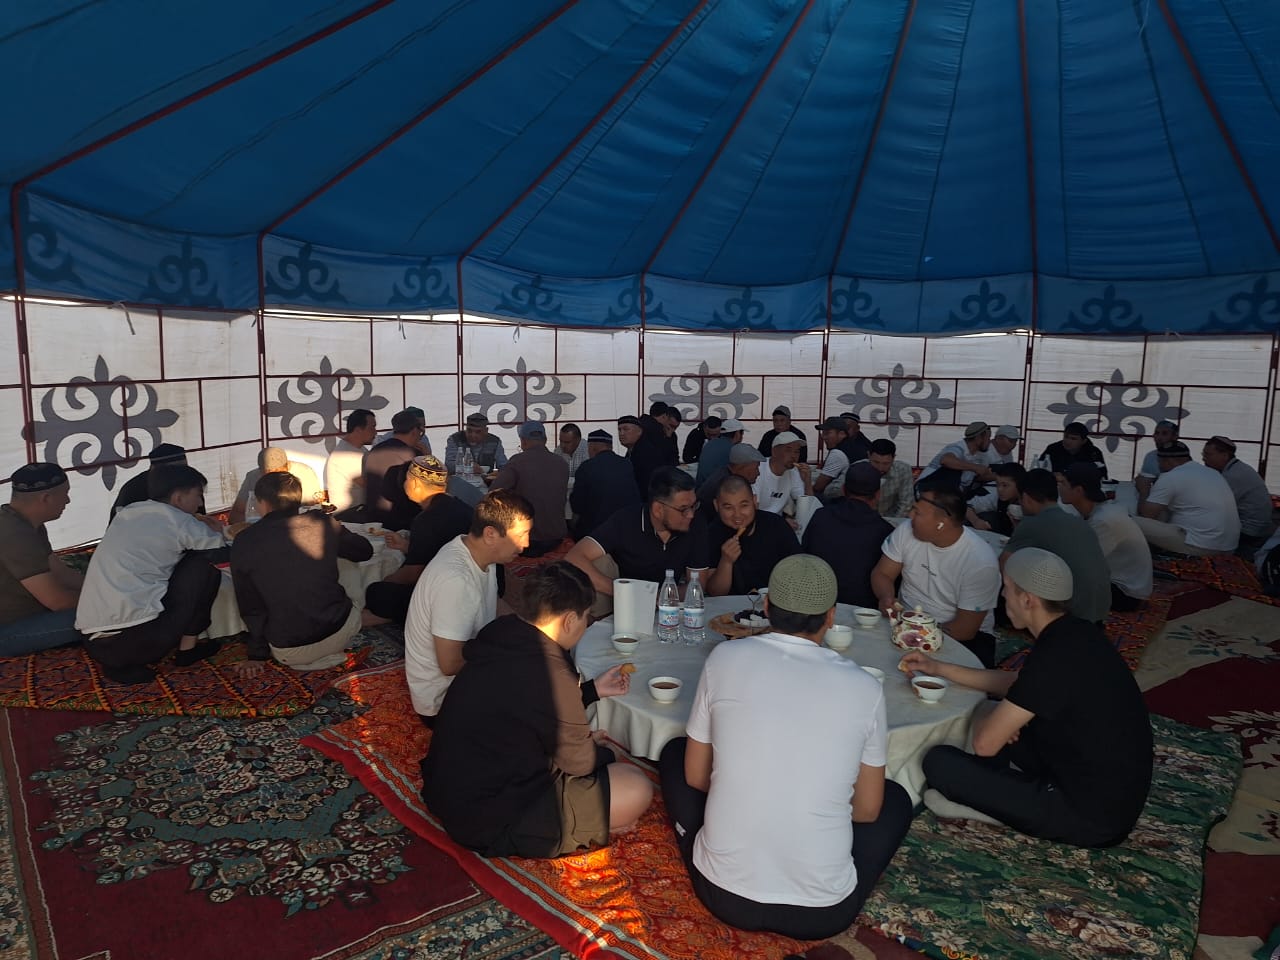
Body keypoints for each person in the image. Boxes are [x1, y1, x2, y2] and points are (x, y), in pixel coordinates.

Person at [658, 555, 913, 939]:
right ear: (831, 616)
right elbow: (865, 810)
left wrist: (746, 789)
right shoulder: (865, 687)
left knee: (675, 753)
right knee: (894, 800)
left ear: (766, 606)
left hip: (724, 896)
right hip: (821, 914)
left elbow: (696, 777)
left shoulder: (724, 657)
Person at [907, 548, 1152, 848]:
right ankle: (1003, 794)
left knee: (939, 762)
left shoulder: (1054, 656)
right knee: (995, 717)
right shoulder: (1076, 633)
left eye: (1007, 588)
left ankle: (998, 811)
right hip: (1099, 785)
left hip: (1088, 816)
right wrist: (938, 668)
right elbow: (1015, 683)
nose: (1003, 596)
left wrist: (997, 721)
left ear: (1027, 600)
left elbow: (985, 744)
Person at [421, 562, 654, 858]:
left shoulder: (503, 633)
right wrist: (605, 753)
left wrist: (591, 691)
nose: (585, 625)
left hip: (449, 790)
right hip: (489, 815)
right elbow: (580, 764)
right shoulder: (551, 670)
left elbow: (526, 703)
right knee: (635, 786)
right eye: (586, 617)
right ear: (569, 620)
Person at [76, 465, 228, 684]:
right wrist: (218, 531)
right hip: (137, 641)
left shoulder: (127, 513)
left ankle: (123, 663)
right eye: (198, 495)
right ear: (178, 497)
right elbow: (221, 553)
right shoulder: (179, 520)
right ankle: (187, 649)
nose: (200, 504)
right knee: (205, 565)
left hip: (93, 641)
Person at [404, 490, 534, 724]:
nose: (525, 544)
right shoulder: (456, 580)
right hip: (442, 701)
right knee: (537, 698)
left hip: (468, 671)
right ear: (490, 534)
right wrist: (506, 655)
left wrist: (530, 631)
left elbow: (491, 601)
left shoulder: (477, 551)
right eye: (521, 535)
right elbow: (449, 664)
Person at [230, 471, 372, 673]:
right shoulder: (321, 521)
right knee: (345, 562)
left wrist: (257, 654)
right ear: (298, 500)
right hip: (343, 631)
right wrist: (335, 530)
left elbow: (250, 603)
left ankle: (315, 657)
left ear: (262, 503)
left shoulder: (244, 540)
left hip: (289, 651)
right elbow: (364, 552)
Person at [871, 488, 1002, 667]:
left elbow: (965, 629)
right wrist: (886, 597)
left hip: (960, 638)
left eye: (917, 512)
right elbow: (882, 573)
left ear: (942, 522)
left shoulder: (979, 561)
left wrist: (916, 634)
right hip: (904, 624)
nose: (910, 516)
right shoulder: (906, 531)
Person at [565, 467, 709, 600]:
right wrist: (621, 591)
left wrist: (658, 598)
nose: (691, 514)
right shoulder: (625, 521)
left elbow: (697, 586)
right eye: (683, 509)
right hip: (628, 606)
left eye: (694, 506)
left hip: (672, 606)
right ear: (658, 509)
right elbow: (574, 557)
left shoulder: (696, 524)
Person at [364, 456, 472, 627]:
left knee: (376, 592)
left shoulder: (426, 519)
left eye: (406, 479)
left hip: (450, 595)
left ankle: (409, 617)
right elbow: (441, 549)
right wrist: (407, 547)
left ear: (414, 483)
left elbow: (413, 574)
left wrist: (388, 580)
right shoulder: (460, 506)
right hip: (474, 585)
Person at [998, 469, 1111, 626]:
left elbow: (1005, 566)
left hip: (1071, 616)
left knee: (999, 598)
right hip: (1099, 610)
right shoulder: (1078, 522)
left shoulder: (1032, 523)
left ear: (1026, 498)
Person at [0, 463, 84, 655]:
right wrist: (109, 601)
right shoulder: (15, 535)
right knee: (103, 616)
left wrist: (101, 588)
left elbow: (59, 571)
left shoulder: (23, 522)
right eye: (65, 493)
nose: (68, 500)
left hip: (28, 614)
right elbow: (58, 601)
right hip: (6, 630)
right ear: (46, 498)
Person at [1059, 463, 1152, 611]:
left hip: (1126, 593)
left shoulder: (1103, 520)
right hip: (1115, 582)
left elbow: (1082, 564)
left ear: (1078, 490)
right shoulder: (1101, 511)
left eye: (1063, 483)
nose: (1059, 488)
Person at [802, 462, 893, 609]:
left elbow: (804, 556)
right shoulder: (885, 530)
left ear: (843, 490)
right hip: (864, 611)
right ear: (878, 494)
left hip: (816, 603)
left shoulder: (821, 516)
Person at [1135, 441, 1240, 556]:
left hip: (1200, 546)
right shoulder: (1213, 473)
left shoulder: (1170, 477)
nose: (1159, 466)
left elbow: (1147, 515)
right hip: (1229, 547)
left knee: (1128, 521)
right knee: (1164, 512)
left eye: (1159, 462)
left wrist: (1143, 489)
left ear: (1168, 461)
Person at [704, 475, 799, 596]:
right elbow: (715, 593)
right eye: (728, 507)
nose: (737, 515)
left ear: (754, 501)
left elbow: (798, 569)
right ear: (716, 506)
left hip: (776, 599)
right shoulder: (711, 534)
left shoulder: (776, 525)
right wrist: (726, 561)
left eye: (744, 505)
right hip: (731, 604)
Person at [489, 421, 569, 557]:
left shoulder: (517, 461)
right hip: (556, 538)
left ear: (523, 441)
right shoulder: (562, 463)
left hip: (526, 540)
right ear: (545, 440)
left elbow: (493, 493)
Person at [1202, 436, 1276, 558]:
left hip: (1250, 530)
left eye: (1208, 454)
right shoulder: (1237, 468)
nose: (1203, 458)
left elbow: (1214, 506)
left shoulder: (1233, 475)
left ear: (1224, 455)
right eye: (1203, 454)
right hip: (1260, 526)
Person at [569, 430, 640, 539]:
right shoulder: (626, 464)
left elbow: (577, 504)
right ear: (610, 447)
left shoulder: (586, 467)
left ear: (592, 447)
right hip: (625, 527)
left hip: (595, 531)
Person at [363, 410, 428, 524]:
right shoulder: (413, 454)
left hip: (373, 517)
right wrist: (427, 457)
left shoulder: (374, 451)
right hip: (403, 519)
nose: (420, 437)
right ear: (414, 431)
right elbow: (428, 487)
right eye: (420, 432)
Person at [229, 447, 323, 523]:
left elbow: (313, 513)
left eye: (278, 473)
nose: (273, 479)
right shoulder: (253, 477)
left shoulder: (305, 473)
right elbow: (235, 515)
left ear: (287, 466)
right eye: (268, 474)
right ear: (260, 471)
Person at [110, 443, 189, 520]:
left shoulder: (187, 482)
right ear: (154, 469)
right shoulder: (133, 490)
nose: (183, 474)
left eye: (185, 469)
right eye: (176, 470)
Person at [915, 421, 995, 496]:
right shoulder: (957, 448)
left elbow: (978, 476)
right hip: (925, 491)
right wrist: (976, 467)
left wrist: (997, 477)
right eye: (988, 438)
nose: (990, 441)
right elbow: (946, 460)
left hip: (948, 496)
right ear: (978, 438)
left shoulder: (981, 456)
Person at [325, 408, 377, 514]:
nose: (375, 432)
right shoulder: (345, 454)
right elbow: (370, 484)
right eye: (372, 427)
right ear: (358, 430)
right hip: (349, 514)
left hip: (359, 510)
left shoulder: (359, 449)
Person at [695, 442, 766, 519]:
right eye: (756, 468)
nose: (758, 473)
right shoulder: (727, 486)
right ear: (741, 467)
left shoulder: (724, 474)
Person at [752, 430, 812, 519]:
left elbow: (807, 508)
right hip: (759, 520)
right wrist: (781, 522)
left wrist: (807, 482)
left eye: (797, 451)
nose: (793, 456)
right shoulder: (758, 470)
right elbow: (753, 511)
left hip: (778, 521)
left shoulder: (793, 472)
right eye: (788, 450)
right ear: (774, 452)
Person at [967, 425, 1021, 516]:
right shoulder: (984, 451)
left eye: (1015, 441)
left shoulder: (1007, 451)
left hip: (998, 488)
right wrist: (1000, 477)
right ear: (999, 439)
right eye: (1011, 441)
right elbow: (975, 477)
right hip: (979, 490)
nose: (1013, 445)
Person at [965, 462, 1025, 535]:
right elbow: (967, 506)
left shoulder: (1029, 502)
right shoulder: (996, 496)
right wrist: (976, 521)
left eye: (1005, 485)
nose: (999, 489)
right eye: (997, 484)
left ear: (1019, 485)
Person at [617, 413, 668, 498]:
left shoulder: (647, 454)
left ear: (639, 431)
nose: (621, 433)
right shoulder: (632, 450)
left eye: (626, 429)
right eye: (619, 430)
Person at [445, 412, 508, 476]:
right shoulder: (455, 439)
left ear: (486, 431)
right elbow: (449, 465)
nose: (473, 435)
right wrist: (467, 467)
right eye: (469, 431)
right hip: (460, 479)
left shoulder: (494, 442)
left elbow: (504, 465)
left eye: (478, 432)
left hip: (487, 480)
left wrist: (499, 473)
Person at [811, 416, 858, 501]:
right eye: (823, 433)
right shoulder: (851, 446)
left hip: (838, 501)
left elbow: (818, 487)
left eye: (827, 433)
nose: (823, 437)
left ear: (842, 434)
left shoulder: (837, 454)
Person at [1037, 423, 1108, 479]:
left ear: (1083, 441)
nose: (1068, 441)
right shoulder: (1053, 449)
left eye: (1073, 439)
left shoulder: (1093, 452)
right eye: (1066, 437)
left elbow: (1102, 476)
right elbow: (1040, 470)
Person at [866, 438, 915, 519]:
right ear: (868, 455)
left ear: (893, 458)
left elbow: (906, 503)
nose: (880, 468)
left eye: (886, 463)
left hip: (892, 519)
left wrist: (893, 523)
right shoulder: (857, 470)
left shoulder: (903, 470)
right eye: (876, 462)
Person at [1134, 420, 1179, 498]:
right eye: (1157, 433)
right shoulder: (1151, 456)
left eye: (1164, 433)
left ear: (1175, 437)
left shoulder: (1182, 457)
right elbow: (1144, 481)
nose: (1159, 438)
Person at [695, 418, 745, 487]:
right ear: (737, 434)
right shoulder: (733, 450)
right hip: (714, 490)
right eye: (742, 433)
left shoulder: (709, 444)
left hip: (701, 488)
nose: (742, 437)